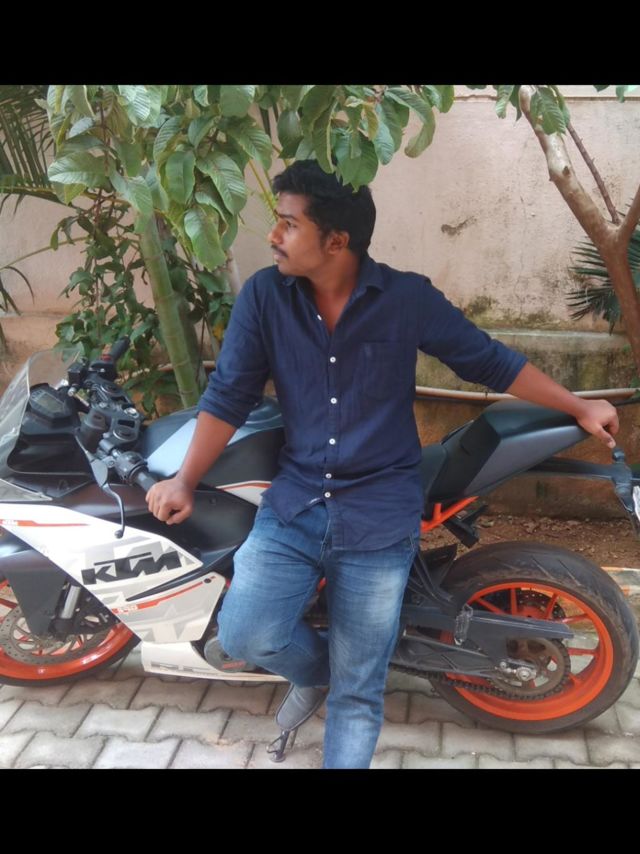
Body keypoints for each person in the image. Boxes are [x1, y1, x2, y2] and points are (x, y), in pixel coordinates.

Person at [146, 160, 619, 769]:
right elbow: (230, 394)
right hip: (295, 505)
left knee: (359, 694)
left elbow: (489, 361)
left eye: (289, 224)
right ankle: (321, 671)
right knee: (246, 635)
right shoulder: (265, 297)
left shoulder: (405, 299)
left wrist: (578, 405)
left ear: (335, 241)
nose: (273, 235)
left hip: (380, 514)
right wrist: (185, 479)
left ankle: (351, 679)